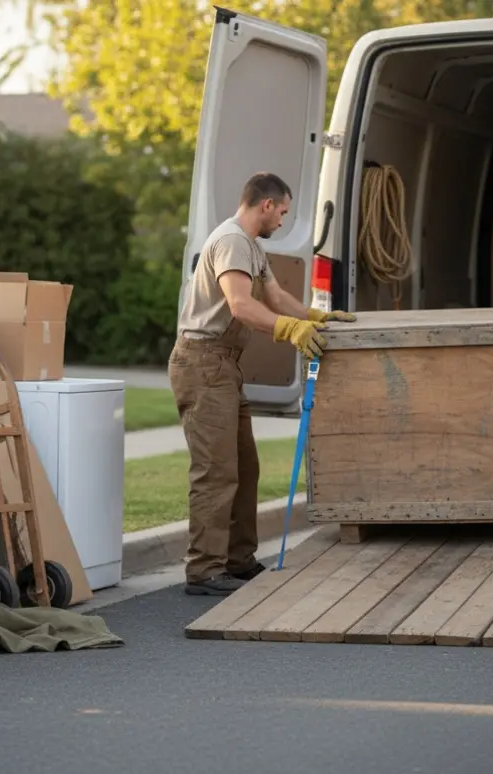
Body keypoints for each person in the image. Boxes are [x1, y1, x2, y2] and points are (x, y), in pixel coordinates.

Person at [171, 171, 356, 596]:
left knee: (244, 469)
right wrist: (290, 331)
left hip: (223, 366)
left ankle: (237, 560)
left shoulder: (252, 246)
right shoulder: (233, 240)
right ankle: (204, 569)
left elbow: (275, 299)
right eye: (283, 212)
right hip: (202, 363)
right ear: (266, 205)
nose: (283, 222)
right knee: (216, 471)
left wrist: (316, 317)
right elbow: (240, 306)